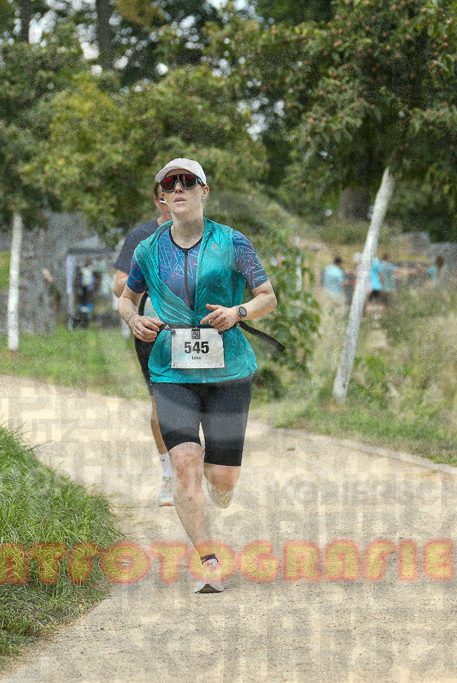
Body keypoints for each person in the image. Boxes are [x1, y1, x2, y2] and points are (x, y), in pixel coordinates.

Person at [118, 158, 277, 594]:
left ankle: (219, 489)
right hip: (172, 371)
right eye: (171, 184)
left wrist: (237, 311)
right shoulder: (148, 250)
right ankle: (209, 560)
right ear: (163, 197)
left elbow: (267, 298)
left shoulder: (233, 242)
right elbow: (126, 299)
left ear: (204, 191)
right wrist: (133, 320)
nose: (180, 188)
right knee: (185, 465)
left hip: (229, 371)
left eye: (189, 182)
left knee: (221, 479)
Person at [113, 182, 176, 507]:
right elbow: (117, 286)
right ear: (157, 200)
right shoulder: (140, 237)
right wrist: (146, 272)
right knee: (160, 403)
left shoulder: (203, 234)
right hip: (152, 329)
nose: (173, 202)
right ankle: (169, 475)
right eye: (166, 198)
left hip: (195, 331)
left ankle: (194, 467)